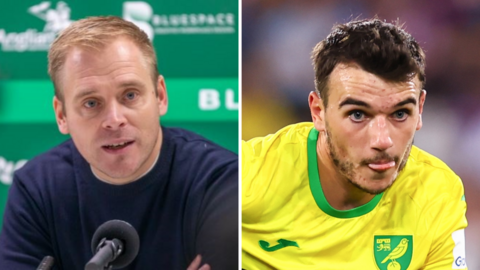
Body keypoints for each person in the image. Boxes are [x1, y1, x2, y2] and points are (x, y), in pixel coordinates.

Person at [0, 16, 238, 270]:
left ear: (160, 96)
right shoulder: (36, 188)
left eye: (130, 95)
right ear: (62, 116)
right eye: (91, 103)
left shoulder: (221, 180)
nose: (114, 120)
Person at [242, 18, 468, 270]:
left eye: (401, 113)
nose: (382, 141)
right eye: (358, 114)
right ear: (318, 112)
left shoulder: (436, 191)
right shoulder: (247, 175)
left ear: (421, 108)